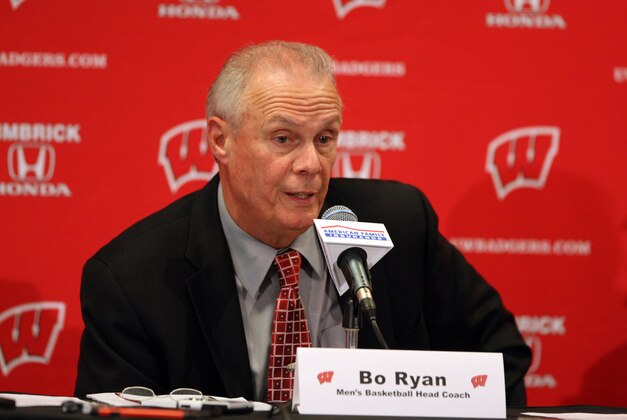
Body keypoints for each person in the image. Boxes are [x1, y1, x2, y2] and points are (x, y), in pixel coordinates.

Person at [75, 40, 531, 405]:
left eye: (325, 138)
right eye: (283, 138)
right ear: (221, 140)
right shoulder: (133, 279)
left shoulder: (399, 225)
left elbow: (499, 358)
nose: (312, 164)